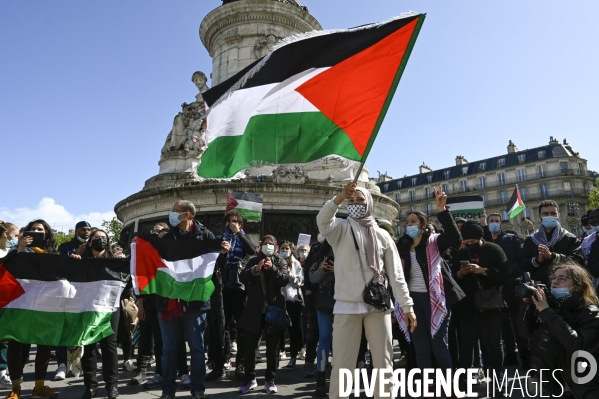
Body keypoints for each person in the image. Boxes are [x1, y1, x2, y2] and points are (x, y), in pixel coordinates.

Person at [317, 182, 416, 399]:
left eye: (360, 200)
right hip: (346, 305)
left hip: (377, 306)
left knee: (384, 363)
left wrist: (407, 306)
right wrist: (340, 197)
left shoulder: (383, 236)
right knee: (342, 366)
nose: (355, 204)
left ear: (369, 203)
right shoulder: (340, 229)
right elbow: (323, 222)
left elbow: (396, 275)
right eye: (352, 201)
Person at [157, 200, 229, 399]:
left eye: (175, 211)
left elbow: (215, 268)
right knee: (168, 350)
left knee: (197, 348)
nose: (171, 214)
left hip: (195, 302)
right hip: (169, 301)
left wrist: (222, 254)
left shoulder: (206, 236)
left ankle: (197, 388)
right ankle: (167, 390)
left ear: (187, 214)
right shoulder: (166, 237)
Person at [395, 188, 464, 395]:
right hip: (412, 302)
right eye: (407, 222)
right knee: (421, 349)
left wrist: (442, 211)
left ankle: (449, 387)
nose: (409, 225)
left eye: (413, 222)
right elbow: (396, 277)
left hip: (436, 300)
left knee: (439, 347)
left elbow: (455, 237)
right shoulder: (401, 247)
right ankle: (426, 386)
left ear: (423, 225)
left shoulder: (434, 242)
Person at [518, 262, 599, 397]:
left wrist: (546, 312)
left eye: (562, 279)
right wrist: (528, 305)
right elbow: (525, 332)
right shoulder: (550, 306)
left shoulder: (590, 313)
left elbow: (579, 346)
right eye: (553, 278)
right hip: (548, 381)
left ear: (578, 287)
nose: (555, 282)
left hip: (577, 385)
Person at [70, 229, 129, 399]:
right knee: (89, 347)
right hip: (87, 308)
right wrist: (74, 260)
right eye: (97, 238)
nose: (100, 240)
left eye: (104, 238)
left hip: (110, 308)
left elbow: (127, 282)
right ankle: (90, 386)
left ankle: (112, 385)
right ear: (89, 242)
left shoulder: (115, 261)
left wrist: (122, 262)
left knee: (109, 347)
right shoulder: (82, 260)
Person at [454, 221, 510, 389]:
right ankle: (464, 378)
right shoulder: (462, 251)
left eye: (473, 241)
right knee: (467, 343)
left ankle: (496, 376)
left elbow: (505, 276)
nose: (469, 245)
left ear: (480, 238)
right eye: (467, 242)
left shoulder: (494, 249)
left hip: (491, 303)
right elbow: (453, 277)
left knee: (494, 342)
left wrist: (483, 270)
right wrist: (460, 273)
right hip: (467, 304)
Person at [7, 220, 58, 399]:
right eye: (33, 229)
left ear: (46, 234)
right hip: (21, 305)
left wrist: (73, 259)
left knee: (44, 346)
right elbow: (8, 265)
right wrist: (20, 248)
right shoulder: (18, 251)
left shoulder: (52, 253)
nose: (36, 232)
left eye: (40, 230)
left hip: (44, 306)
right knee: (16, 345)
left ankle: (39, 387)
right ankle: (16, 388)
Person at [237, 235, 289, 394]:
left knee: (273, 349)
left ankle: (270, 380)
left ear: (275, 246)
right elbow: (242, 277)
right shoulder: (253, 260)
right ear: (260, 246)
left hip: (273, 310)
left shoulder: (280, 261)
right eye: (265, 243)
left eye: (271, 244)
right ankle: (250, 378)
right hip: (254, 310)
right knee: (249, 347)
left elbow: (284, 279)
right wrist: (256, 269)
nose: (268, 246)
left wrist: (272, 268)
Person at [484, 213, 531, 368]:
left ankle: (525, 355)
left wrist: (508, 271)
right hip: (495, 291)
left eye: (497, 221)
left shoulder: (511, 240)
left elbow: (522, 261)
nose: (494, 224)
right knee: (502, 325)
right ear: (487, 223)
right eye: (492, 221)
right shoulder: (485, 243)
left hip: (513, 287)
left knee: (519, 323)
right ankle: (510, 355)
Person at [215, 211, 256, 382]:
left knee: (241, 328)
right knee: (222, 327)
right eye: (229, 222)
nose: (232, 224)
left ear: (241, 225)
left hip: (240, 288)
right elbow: (214, 263)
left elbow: (252, 250)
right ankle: (222, 363)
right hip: (223, 286)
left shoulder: (243, 237)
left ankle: (241, 364)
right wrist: (223, 254)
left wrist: (239, 233)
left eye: (236, 222)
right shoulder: (220, 239)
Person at [519, 200, 584, 285]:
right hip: (540, 287)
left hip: (564, 286)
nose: (549, 216)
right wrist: (537, 260)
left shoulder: (570, 238)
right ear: (540, 216)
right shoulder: (531, 240)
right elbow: (522, 264)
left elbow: (578, 261)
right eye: (545, 214)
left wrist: (553, 256)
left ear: (558, 215)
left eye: (553, 213)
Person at [309, 241, 335, 396]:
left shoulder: (349, 250)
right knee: (324, 339)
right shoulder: (319, 255)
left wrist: (339, 270)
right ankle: (320, 380)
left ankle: (338, 379)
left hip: (345, 303)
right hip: (326, 302)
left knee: (341, 342)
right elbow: (312, 277)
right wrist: (323, 269)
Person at [279, 241, 304, 369]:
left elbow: (299, 282)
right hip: (279, 300)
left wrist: (290, 274)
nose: (284, 251)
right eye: (282, 248)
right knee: (279, 329)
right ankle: (279, 352)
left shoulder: (296, 263)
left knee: (294, 329)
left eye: (286, 248)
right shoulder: (276, 261)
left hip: (293, 300)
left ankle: (293, 356)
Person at [0, 221, 18, 388]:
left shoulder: (9, 251)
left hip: (7, 300)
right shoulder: (7, 254)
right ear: (6, 234)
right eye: (15, 236)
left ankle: (2, 372)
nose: (16, 239)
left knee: (4, 339)